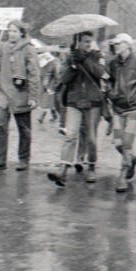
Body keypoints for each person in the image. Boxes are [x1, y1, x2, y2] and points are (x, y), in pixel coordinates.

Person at [47, 31, 106, 186]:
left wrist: (85, 60)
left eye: (90, 41)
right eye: (85, 41)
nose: (88, 44)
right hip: (74, 101)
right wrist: (73, 65)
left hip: (93, 102)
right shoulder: (70, 57)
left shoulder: (97, 55)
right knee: (71, 135)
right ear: (77, 42)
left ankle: (91, 166)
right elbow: (63, 79)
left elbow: (100, 73)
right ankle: (63, 170)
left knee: (91, 138)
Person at [0, 20, 40, 171]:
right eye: (9, 31)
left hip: (21, 95)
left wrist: (33, 96)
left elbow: (34, 74)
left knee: (24, 129)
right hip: (2, 94)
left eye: (14, 31)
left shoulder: (28, 49)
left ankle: (23, 159)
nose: (11, 34)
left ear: (22, 32)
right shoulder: (2, 47)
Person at [106, 33, 136, 192]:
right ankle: (132, 160)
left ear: (128, 44)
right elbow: (110, 82)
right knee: (119, 145)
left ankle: (122, 175)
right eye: (114, 44)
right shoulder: (113, 63)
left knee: (127, 144)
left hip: (133, 109)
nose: (116, 46)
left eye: (119, 43)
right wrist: (110, 93)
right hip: (117, 108)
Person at [36, 51, 60, 124]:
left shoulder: (47, 61)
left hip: (49, 84)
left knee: (47, 101)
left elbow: (51, 74)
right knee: (49, 101)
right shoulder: (52, 61)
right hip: (49, 84)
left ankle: (42, 116)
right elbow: (55, 74)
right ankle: (54, 115)